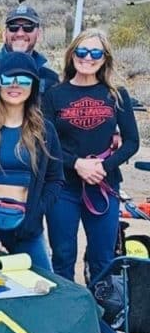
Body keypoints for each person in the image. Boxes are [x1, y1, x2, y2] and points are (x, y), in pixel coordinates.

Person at [43, 29, 139, 286]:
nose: (88, 57)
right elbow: (46, 143)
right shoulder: (53, 95)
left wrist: (102, 167)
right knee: (63, 255)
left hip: (103, 186)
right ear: (71, 54)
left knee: (103, 257)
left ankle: (101, 316)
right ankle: (67, 314)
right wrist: (77, 164)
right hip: (63, 187)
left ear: (104, 57)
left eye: (95, 52)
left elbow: (132, 142)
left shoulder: (116, 95)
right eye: (81, 51)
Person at [0, 52, 64, 270]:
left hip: (28, 232)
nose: (15, 85)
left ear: (33, 85)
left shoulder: (45, 131)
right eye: (8, 79)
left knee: (44, 290)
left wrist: (37, 212)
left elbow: (55, 179)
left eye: (24, 80)